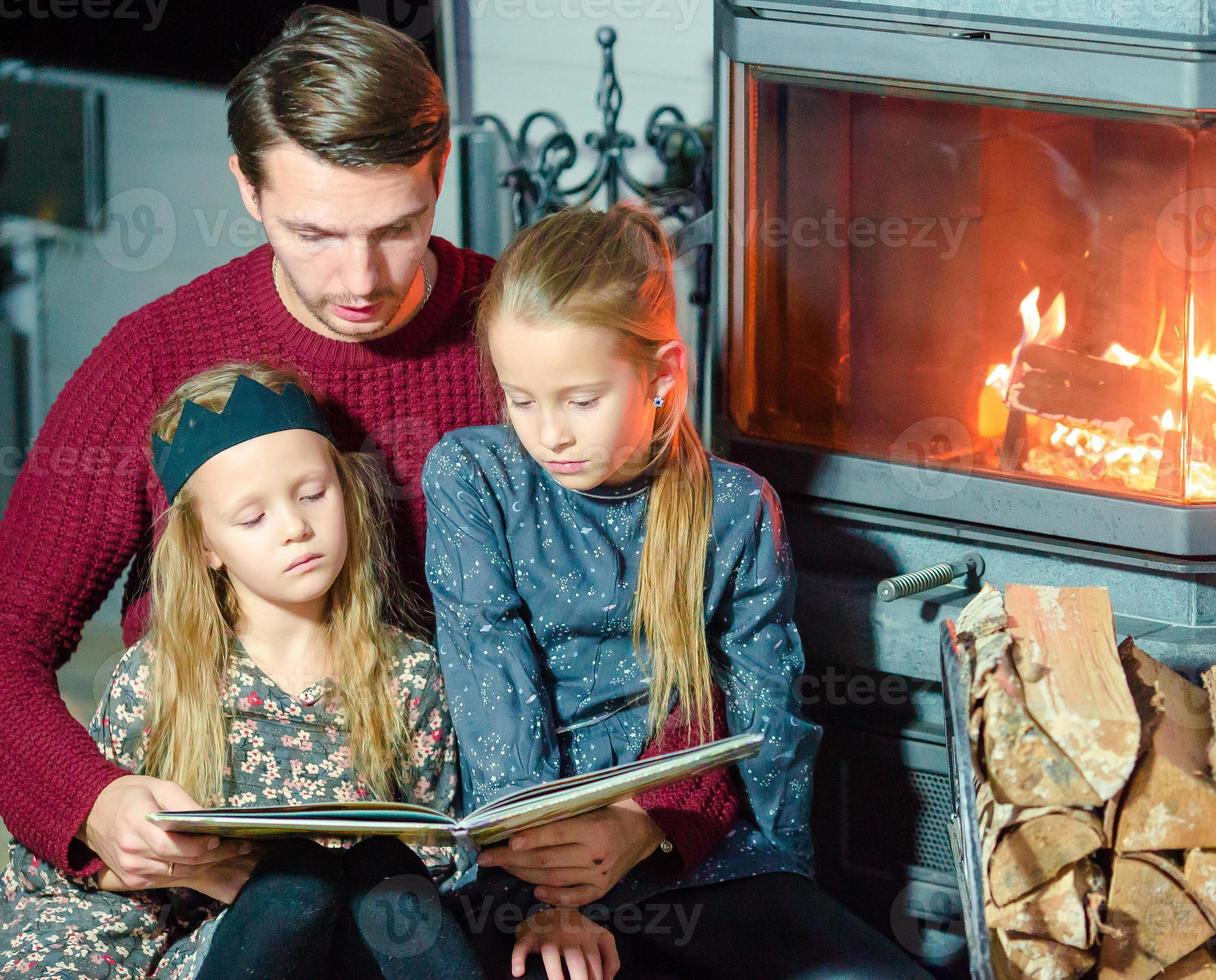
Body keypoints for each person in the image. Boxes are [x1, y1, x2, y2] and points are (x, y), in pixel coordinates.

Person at [0, 5, 724, 917]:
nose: (361, 280)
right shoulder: (155, 359)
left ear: (440, 172)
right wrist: (91, 801)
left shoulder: (538, 342)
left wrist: (653, 817)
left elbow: (691, 603)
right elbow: (8, 637)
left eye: (397, 226)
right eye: (314, 235)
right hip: (222, 855)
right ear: (249, 190)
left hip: (483, 850)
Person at [423, 205, 931, 979]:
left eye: (581, 399)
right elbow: (491, 686)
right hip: (526, 865)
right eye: (520, 400)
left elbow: (762, 715)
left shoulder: (736, 506)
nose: (548, 433)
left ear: (663, 376)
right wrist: (543, 889)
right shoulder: (474, 477)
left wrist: (645, 826)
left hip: (698, 854)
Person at [0, 364, 484, 978]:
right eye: (252, 519)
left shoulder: (410, 674)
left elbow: (439, 853)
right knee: (293, 893)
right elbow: (85, 877)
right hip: (225, 945)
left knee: (389, 887)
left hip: (369, 938)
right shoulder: (157, 680)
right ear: (206, 547)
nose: (295, 528)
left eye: (313, 494)